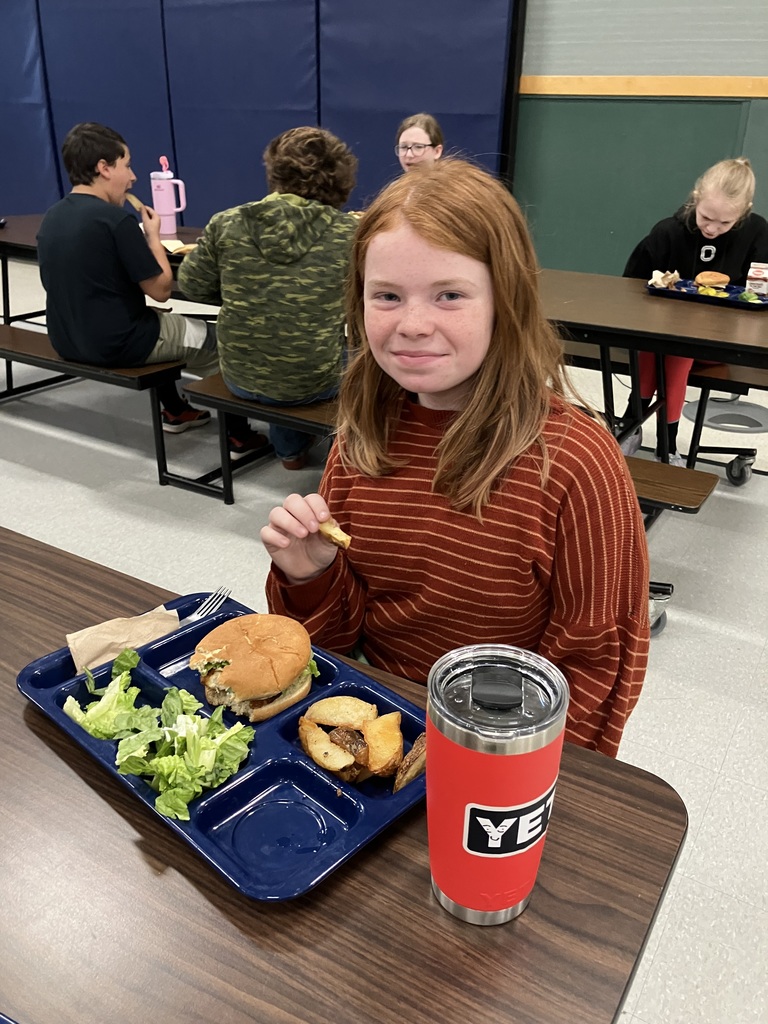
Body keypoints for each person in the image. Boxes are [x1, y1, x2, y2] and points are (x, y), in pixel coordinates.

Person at [261, 159, 650, 758]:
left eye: (450, 295)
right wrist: (309, 575)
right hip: (377, 719)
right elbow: (337, 641)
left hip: (499, 750)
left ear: (506, 300)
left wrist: (510, 774)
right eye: (386, 295)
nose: (413, 324)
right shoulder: (364, 432)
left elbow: (595, 670)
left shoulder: (575, 462)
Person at [36, 122, 266, 455]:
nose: (132, 178)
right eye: (126, 166)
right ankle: (239, 436)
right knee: (222, 338)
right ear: (103, 168)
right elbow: (160, 287)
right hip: (119, 344)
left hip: (66, 338)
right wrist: (152, 236)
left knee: (158, 318)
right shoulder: (115, 220)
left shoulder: (53, 216)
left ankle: (175, 410)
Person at [178, 126, 358, 469]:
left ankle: (289, 452)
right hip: (315, 379)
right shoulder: (348, 234)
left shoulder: (226, 223)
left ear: (274, 172)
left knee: (277, 342)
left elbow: (192, 284)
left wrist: (244, 290)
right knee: (350, 356)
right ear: (340, 177)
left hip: (241, 376)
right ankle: (346, 456)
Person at [620, 157, 768, 466]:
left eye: (725, 223)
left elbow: (760, 294)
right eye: (706, 218)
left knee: (675, 349)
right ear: (696, 199)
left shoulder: (757, 233)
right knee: (667, 347)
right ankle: (665, 445)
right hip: (665, 337)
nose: (713, 229)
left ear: (744, 211)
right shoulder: (667, 232)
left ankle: (633, 425)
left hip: (720, 342)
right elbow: (631, 287)